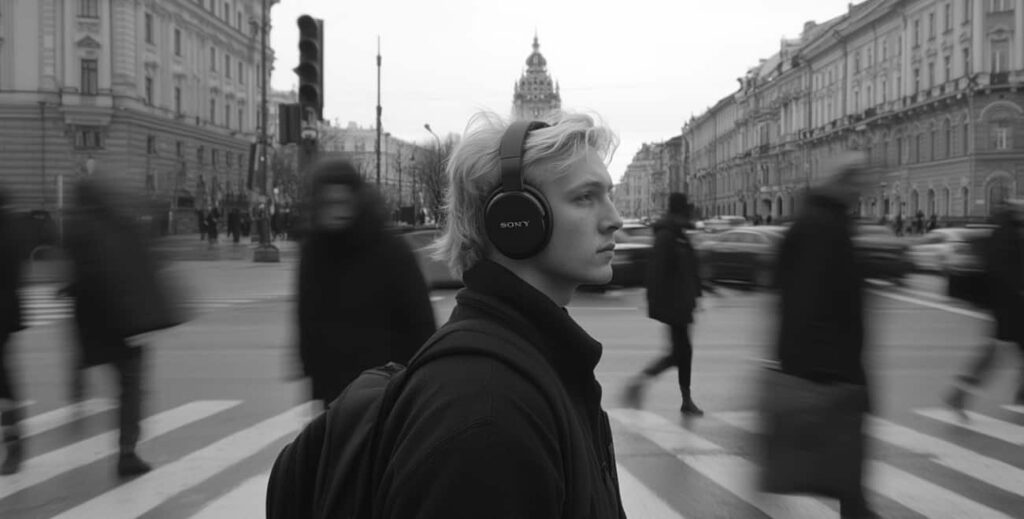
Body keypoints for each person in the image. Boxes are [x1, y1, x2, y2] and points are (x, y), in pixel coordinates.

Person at [303, 112, 628, 517]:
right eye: (586, 197)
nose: (614, 219)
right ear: (517, 218)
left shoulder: (536, 363)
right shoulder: (488, 416)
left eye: (608, 194)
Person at [771, 151, 879, 518]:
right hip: (829, 368)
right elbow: (807, 298)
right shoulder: (823, 226)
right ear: (844, 181)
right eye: (859, 182)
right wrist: (826, 367)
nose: (863, 190)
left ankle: (856, 508)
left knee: (846, 463)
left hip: (830, 364)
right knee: (843, 457)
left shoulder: (823, 221)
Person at [64, 178, 182, 477]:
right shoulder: (121, 225)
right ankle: (127, 450)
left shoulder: (78, 228)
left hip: (92, 321)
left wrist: (71, 289)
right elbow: (142, 267)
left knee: (87, 359)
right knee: (130, 388)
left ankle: (77, 385)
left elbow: (81, 272)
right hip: (125, 324)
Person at [296, 160, 437, 408]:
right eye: (329, 204)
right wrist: (312, 376)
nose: (336, 211)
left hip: (386, 388)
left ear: (356, 201)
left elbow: (420, 319)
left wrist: (418, 381)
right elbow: (306, 317)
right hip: (335, 391)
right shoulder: (313, 251)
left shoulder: (390, 250)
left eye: (342, 202)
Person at [623, 192, 705, 416]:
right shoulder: (668, 235)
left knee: (682, 352)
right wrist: (658, 302)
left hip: (682, 301)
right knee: (681, 353)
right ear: (679, 210)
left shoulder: (678, 233)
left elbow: (689, 267)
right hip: (674, 303)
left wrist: (698, 292)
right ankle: (645, 382)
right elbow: (657, 271)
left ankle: (684, 398)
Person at [946, 200, 1024, 412]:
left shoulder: (1002, 233)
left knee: (994, 354)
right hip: (1012, 306)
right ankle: (959, 394)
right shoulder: (1009, 237)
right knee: (993, 355)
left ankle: (960, 393)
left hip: (1005, 305)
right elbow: (1009, 273)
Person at [0, 189, 25, 475]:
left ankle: (13, 443)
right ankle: (13, 442)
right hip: (6, 315)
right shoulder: (12, 227)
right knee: (4, 382)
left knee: (3, 382)